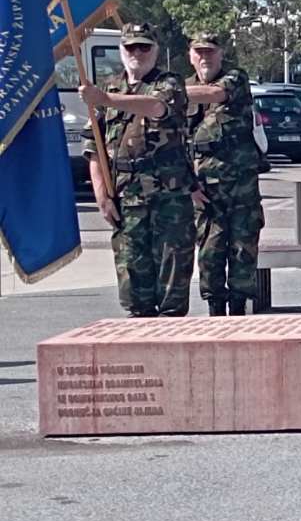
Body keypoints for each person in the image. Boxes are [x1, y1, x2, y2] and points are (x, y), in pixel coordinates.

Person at [81, 22, 201, 317]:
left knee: (171, 283)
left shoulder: (169, 83)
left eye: (143, 47)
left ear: (155, 50)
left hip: (167, 199)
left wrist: (106, 100)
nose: (137, 52)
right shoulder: (109, 87)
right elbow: (93, 147)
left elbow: (157, 107)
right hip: (126, 199)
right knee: (134, 284)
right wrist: (101, 195)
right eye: (130, 47)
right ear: (121, 50)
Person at [185, 31, 263, 316]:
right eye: (199, 52)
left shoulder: (235, 78)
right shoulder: (184, 88)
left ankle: (239, 311)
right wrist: (189, 185)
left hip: (240, 186)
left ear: (221, 54)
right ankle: (215, 311)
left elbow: (216, 93)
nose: (205, 57)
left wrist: (167, 94)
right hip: (205, 190)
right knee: (209, 252)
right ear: (190, 56)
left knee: (242, 250)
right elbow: (174, 143)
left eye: (210, 51)